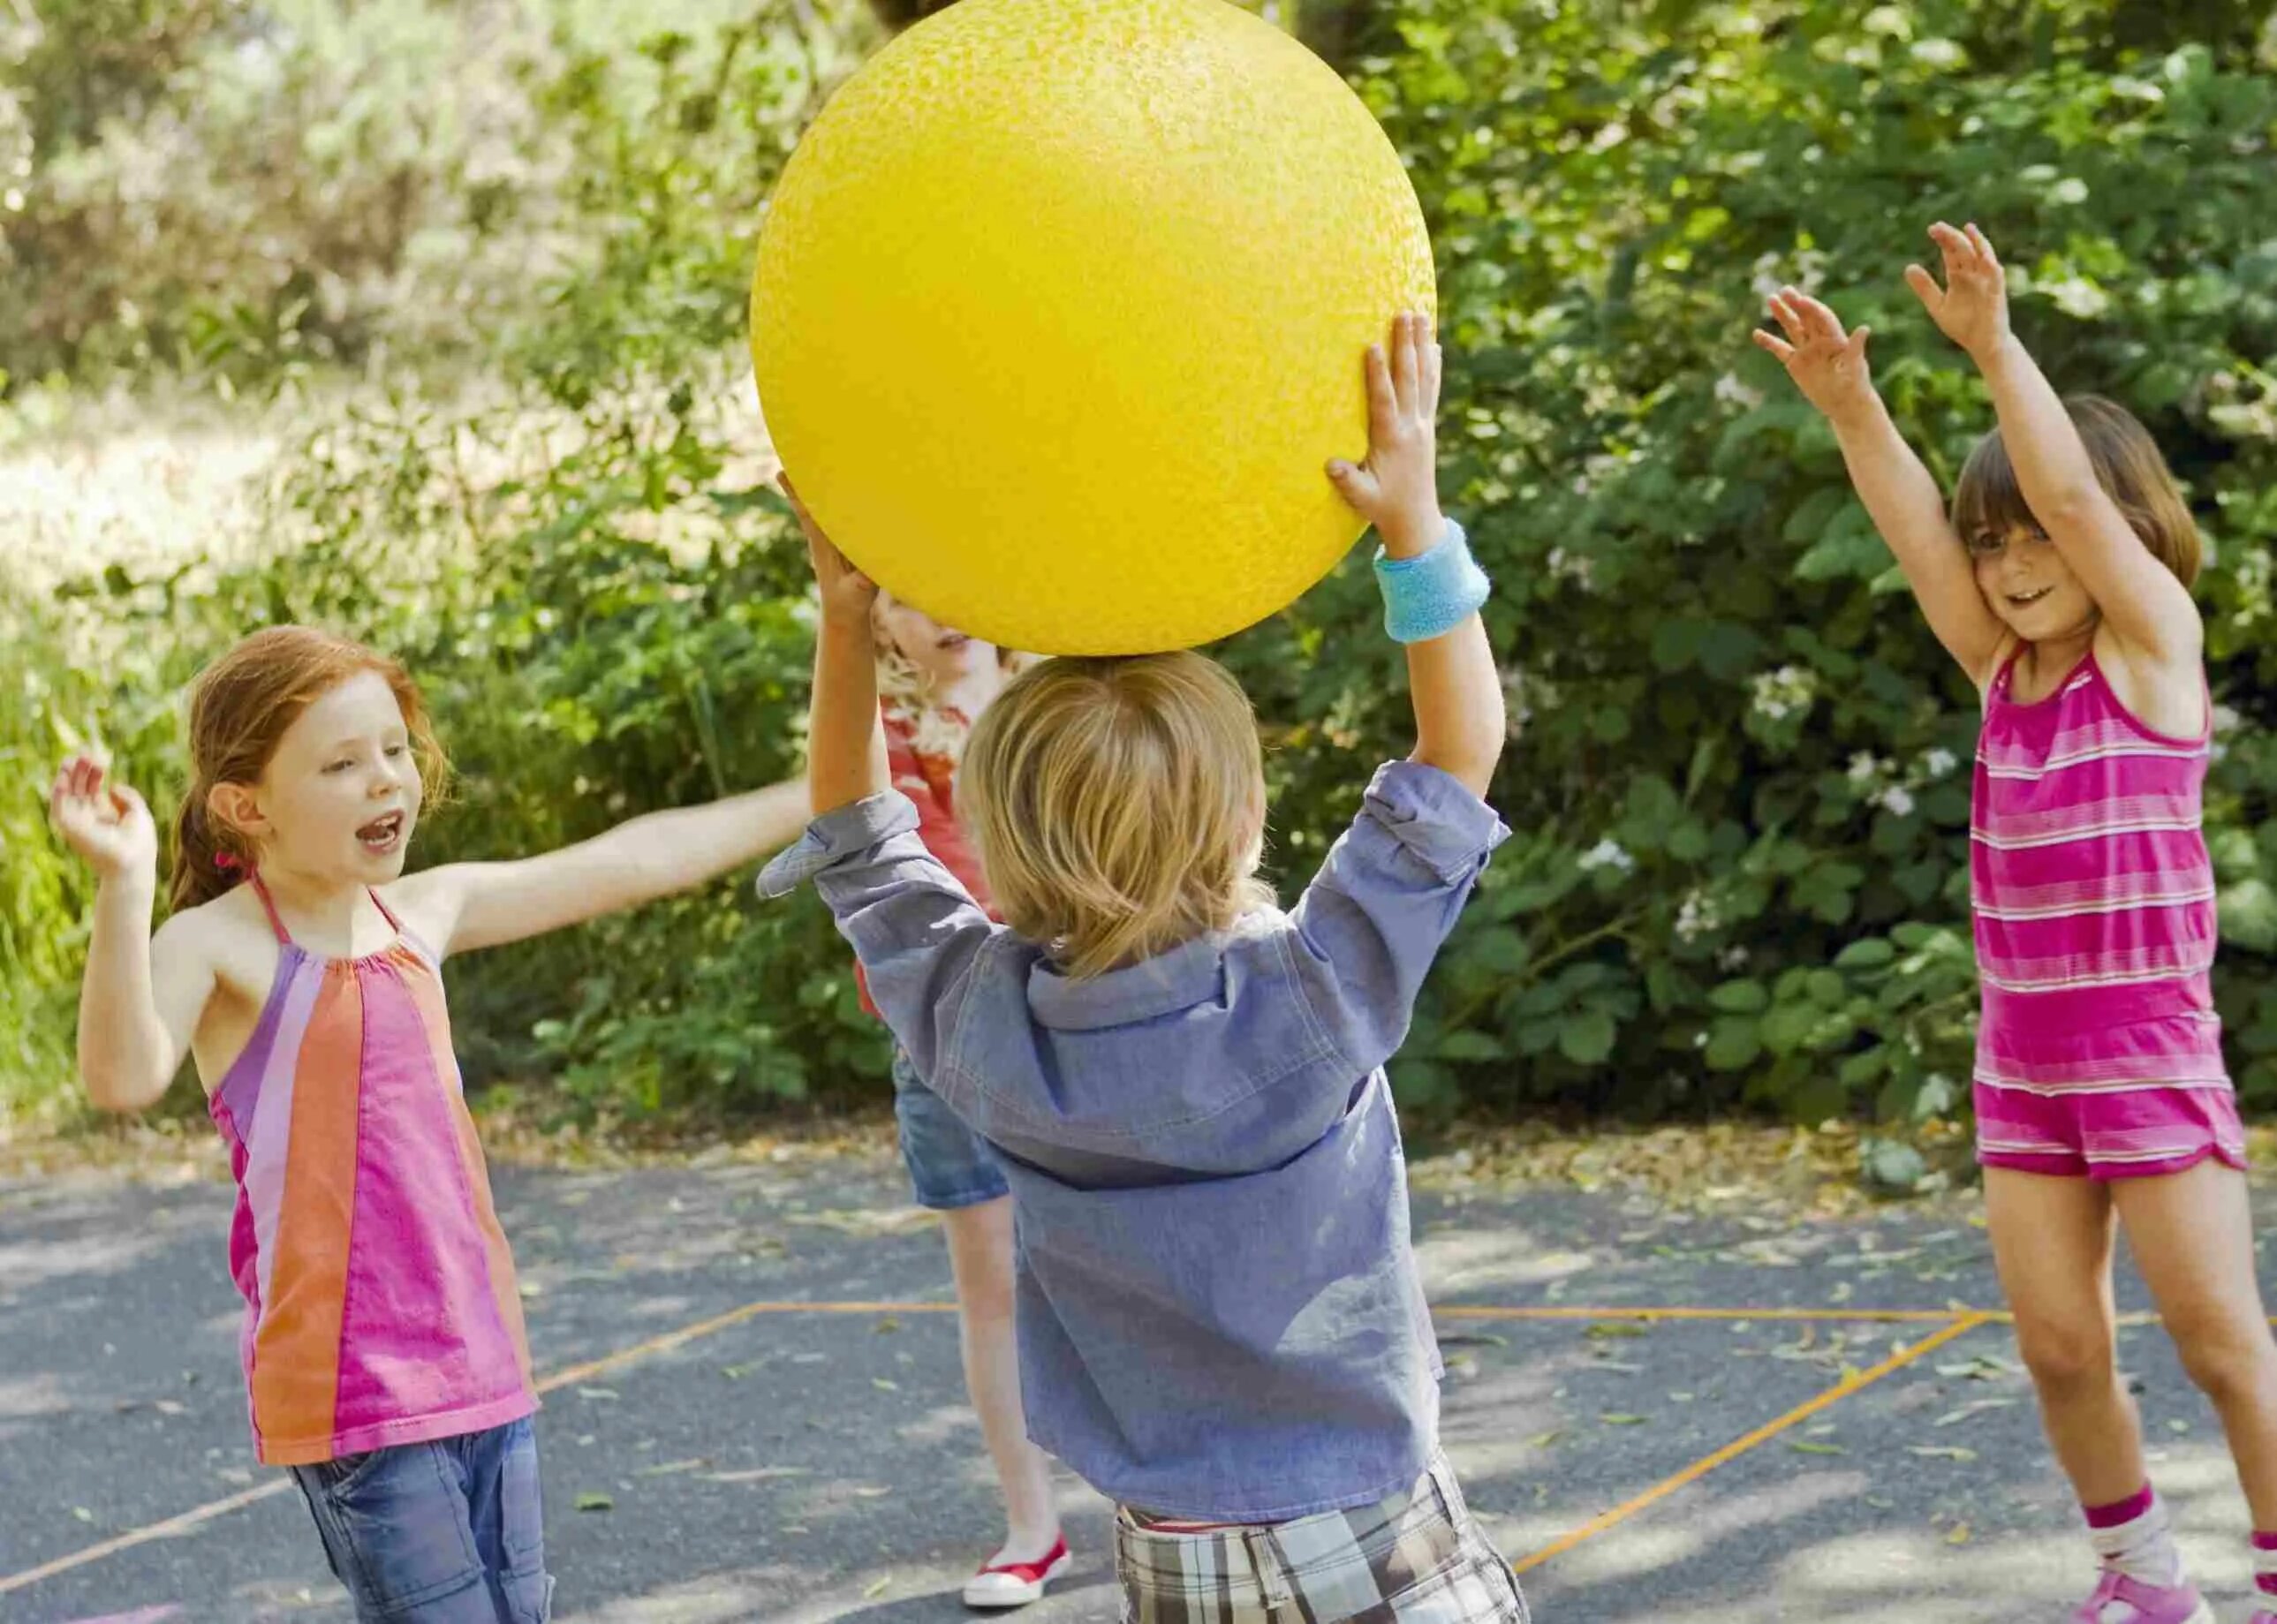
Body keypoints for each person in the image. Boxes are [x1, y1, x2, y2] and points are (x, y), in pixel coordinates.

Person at [762, 312, 1528, 1621]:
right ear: (1242, 822)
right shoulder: (1313, 995)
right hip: (1373, 1530)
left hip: (1169, 1549)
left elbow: (856, 840)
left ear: (994, 841)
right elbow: (1461, 743)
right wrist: (1412, 520)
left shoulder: (976, 1024)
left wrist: (846, 620)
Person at [48, 625, 809, 1624]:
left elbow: (637, 857)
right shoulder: (222, 943)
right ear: (249, 806)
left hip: (485, 1365)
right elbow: (121, 1075)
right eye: (342, 763)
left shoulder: (421, 915)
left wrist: (820, 788)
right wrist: (122, 882)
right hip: (354, 1394)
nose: (385, 780)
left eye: (395, 751)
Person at [1758, 223, 2277, 1624]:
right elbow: (1918, 526)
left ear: (2110, 536)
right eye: (1995, 545)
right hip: (2024, 1068)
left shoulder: (2150, 648)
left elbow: (2066, 487)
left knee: (2222, 1342)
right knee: (2057, 1346)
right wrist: (1854, 402)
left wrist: (1992, 348)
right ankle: (2141, 1574)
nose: (2008, 558)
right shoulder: (1997, 672)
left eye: (2038, 534)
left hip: (2147, 1055)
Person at [855, 563, 1067, 1606]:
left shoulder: (1059, 703)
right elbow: (937, 889)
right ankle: (1032, 1522)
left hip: (1080, 1017)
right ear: (878, 626)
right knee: (990, 1282)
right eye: (903, 595)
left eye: (948, 580)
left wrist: (995, 718)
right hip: (950, 1038)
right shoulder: (882, 741)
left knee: (1121, 1257)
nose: (939, 607)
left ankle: (1164, 1480)